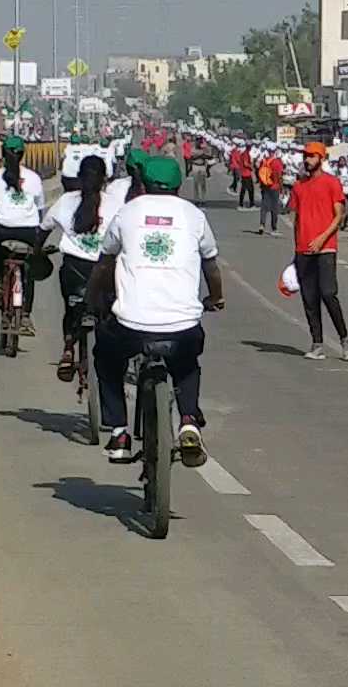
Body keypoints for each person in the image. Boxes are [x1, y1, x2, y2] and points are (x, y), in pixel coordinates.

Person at [87, 157, 224, 466]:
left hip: (132, 325)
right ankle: (188, 420)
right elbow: (211, 267)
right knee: (187, 365)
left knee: (106, 359)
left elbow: (105, 263)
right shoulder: (194, 215)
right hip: (183, 326)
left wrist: (94, 297)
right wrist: (215, 298)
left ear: (143, 182)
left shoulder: (127, 212)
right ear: (179, 185)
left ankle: (120, 430)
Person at [39, 155, 124, 381]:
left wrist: (35, 252)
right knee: (109, 314)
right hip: (105, 272)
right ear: (104, 179)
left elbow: (43, 230)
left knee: (71, 309)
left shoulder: (66, 201)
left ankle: (68, 348)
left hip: (73, 272)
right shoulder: (116, 204)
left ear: (78, 178)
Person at [288, 142, 348, 362]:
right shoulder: (299, 187)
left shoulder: (331, 183)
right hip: (303, 249)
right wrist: (297, 250)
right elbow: (296, 218)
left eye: (311, 156)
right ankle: (317, 343)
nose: (307, 160)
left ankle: (345, 339)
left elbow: (339, 215)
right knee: (310, 298)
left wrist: (321, 238)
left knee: (328, 293)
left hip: (325, 247)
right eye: (305, 156)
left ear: (321, 157)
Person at [0, 136, 47, 336]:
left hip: (2, 230)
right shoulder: (34, 178)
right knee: (28, 272)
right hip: (28, 232)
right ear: (23, 154)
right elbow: (40, 209)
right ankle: (26, 315)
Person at [258, 146, 285, 236]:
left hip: (265, 186)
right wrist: (282, 188)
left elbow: (259, 172)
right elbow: (280, 176)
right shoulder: (277, 162)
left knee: (264, 207)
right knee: (274, 208)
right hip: (275, 186)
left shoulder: (264, 161)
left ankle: (262, 224)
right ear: (275, 152)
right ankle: (274, 228)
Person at [189, 139, 212, 206]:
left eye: (200, 142)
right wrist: (201, 155)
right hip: (195, 165)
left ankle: (203, 199)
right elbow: (192, 158)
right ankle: (196, 199)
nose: (198, 143)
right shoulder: (193, 149)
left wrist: (205, 148)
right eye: (198, 142)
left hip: (202, 166)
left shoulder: (204, 149)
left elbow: (209, 156)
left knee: (203, 184)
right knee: (195, 184)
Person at [236, 143, 256, 210]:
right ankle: (249, 204)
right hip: (246, 174)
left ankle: (246, 204)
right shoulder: (245, 154)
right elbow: (245, 163)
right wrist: (251, 167)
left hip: (245, 173)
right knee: (248, 189)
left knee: (246, 189)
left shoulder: (245, 153)